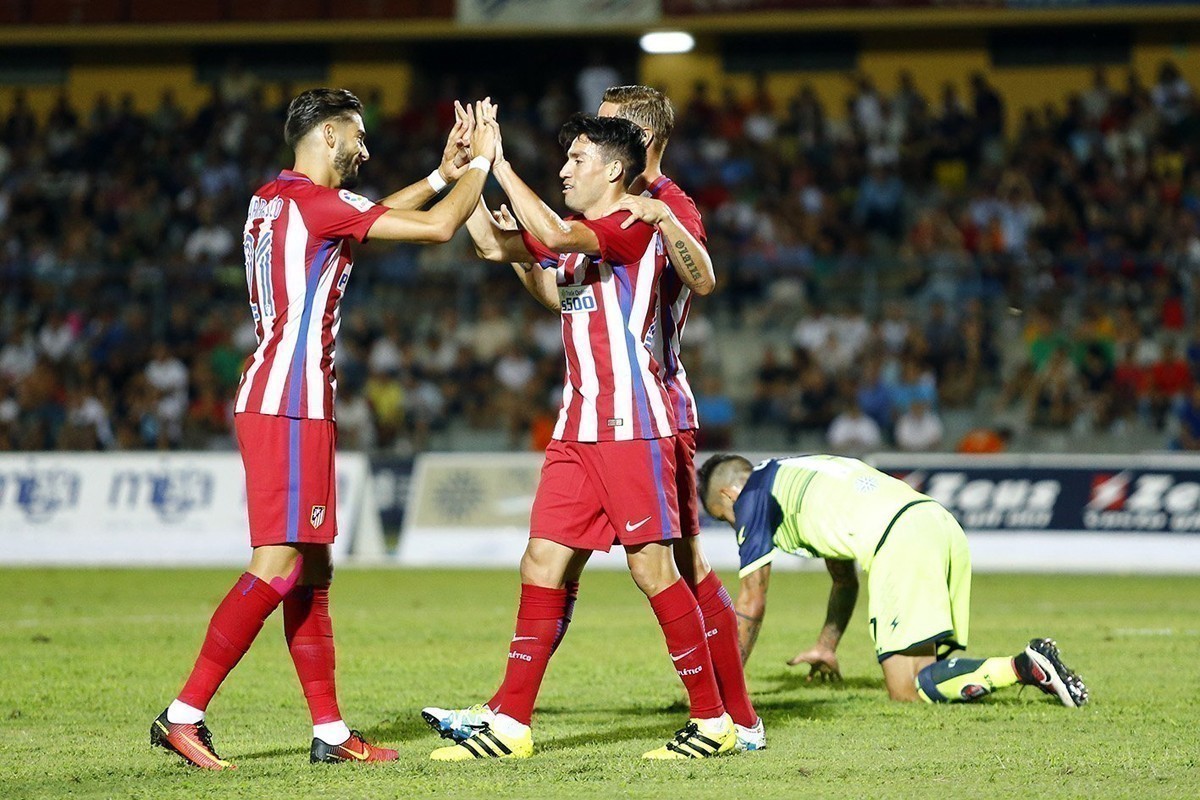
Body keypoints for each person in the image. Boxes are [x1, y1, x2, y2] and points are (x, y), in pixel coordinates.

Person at [150, 88, 498, 770]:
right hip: (290, 401)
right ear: (329, 136)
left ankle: (331, 734)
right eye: (359, 137)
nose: (366, 150)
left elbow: (363, 217)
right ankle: (182, 715)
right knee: (279, 564)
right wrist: (482, 163)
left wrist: (440, 175)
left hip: (280, 396)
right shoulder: (316, 204)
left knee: (312, 566)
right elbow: (432, 232)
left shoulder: (272, 199)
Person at [424, 111, 735, 761]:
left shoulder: (628, 222)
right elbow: (495, 246)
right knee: (541, 562)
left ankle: (713, 720)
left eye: (577, 159)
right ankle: (510, 722)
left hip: (631, 424)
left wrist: (501, 162)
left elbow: (551, 230)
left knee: (653, 569)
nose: (564, 167)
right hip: (578, 426)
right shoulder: (583, 237)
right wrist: (470, 171)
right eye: (562, 159)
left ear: (615, 170)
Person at [696, 453, 1089, 708]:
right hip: (936, 521)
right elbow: (844, 579)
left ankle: (1025, 666)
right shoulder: (799, 472)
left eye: (724, 516)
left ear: (730, 495)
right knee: (921, 677)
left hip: (898, 540)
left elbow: (751, 600)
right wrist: (826, 645)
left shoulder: (753, 497)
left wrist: (722, 690)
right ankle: (1024, 668)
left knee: (906, 690)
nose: (734, 525)